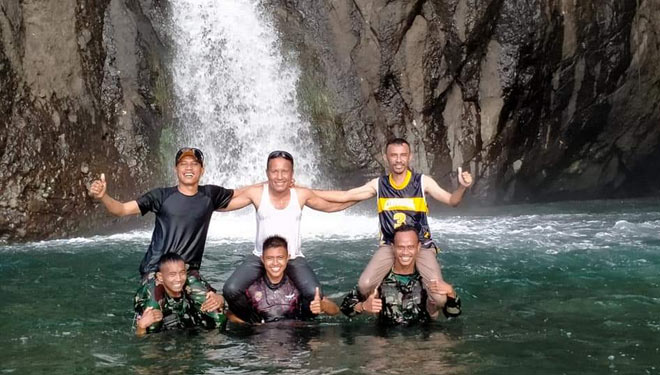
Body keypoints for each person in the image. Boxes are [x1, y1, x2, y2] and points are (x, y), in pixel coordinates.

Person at [314, 138, 473, 307]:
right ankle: (367, 303)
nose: (399, 160)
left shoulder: (422, 181)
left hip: (421, 245)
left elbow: (452, 200)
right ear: (386, 157)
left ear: (410, 157)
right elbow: (345, 196)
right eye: (394, 155)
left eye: (403, 155)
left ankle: (426, 303)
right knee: (364, 284)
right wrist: (306, 191)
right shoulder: (379, 184)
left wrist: (462, 187)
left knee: (440, 299)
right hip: (390, 245)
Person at [88, 147, 236, 317]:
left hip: (187, 272)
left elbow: (243, 195)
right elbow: (121, 209)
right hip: (156, 270)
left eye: (194, 164)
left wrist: (269, 184)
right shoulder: (161, 196)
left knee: (216, 314)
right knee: (152, 321)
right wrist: (103, 196)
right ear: (176, 169)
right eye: (183, 164)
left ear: (202, 170)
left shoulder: (210, 195)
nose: (189, 168)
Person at [221, 150, 356, 322]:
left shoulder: (300, 194)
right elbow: (225, 203)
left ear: (292, 173)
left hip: (292, 257)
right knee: (230, 289)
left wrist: (360, 198)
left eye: (284, 171)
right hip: (260, 257)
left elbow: (330, 206)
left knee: (313, 294)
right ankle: (255, 322)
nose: (279, 176)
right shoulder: (257, 193)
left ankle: (301, 326)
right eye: (274, 171)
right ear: (267, 173)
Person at [340, 225, 461, 326]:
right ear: (393, 248)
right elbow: (345, 309)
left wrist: (451, 293)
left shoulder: (427, 279)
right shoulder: (379, 279)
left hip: (422, 336)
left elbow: (453, 315)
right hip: (386, 337)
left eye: (410, 247)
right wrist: (363, 306)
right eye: (400, 247)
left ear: (418, 247)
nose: (405, 252)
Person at [228, 235, 339, 324]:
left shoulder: (299, 283)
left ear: (287, 258)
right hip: (262, 341)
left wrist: (323, 306)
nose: (275, 263)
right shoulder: (251, 287)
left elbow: (335, 311)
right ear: (262, 259)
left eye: (280, 258)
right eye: (270, 258)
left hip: (297, 336)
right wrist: (252, 326)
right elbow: (231, 314)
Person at [134, 253, 227, 336]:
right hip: (163, 322)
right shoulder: (153, 298)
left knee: (215, 308)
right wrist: (141, 327)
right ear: (160, 277)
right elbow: (144, 341)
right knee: (153, 324)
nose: (178, 279)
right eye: (172, 274)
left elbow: (218, 305)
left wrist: (221, 300)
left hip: (186, 315)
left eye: (182, 273)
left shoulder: (192, 282)